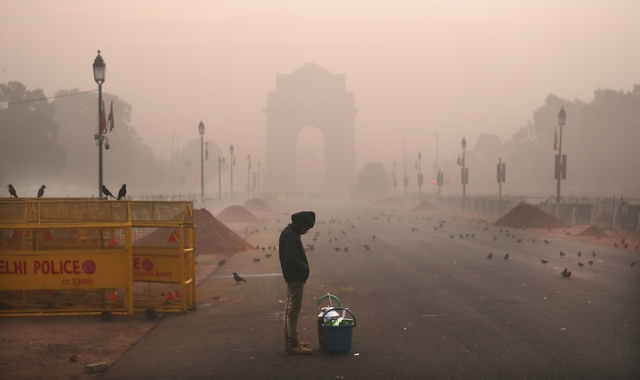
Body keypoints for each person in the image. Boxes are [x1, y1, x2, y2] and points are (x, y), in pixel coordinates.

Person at [279, 211, 315, 355]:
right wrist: (305, 268)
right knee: (292, 312)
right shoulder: (291, 236)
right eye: (306, 228)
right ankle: (293, 344)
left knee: (290, 311)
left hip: (294, 277)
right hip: (294, 278)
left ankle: (291, 341)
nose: (306, 231)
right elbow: (291, 259)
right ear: (300, 225)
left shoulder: (290, 233)